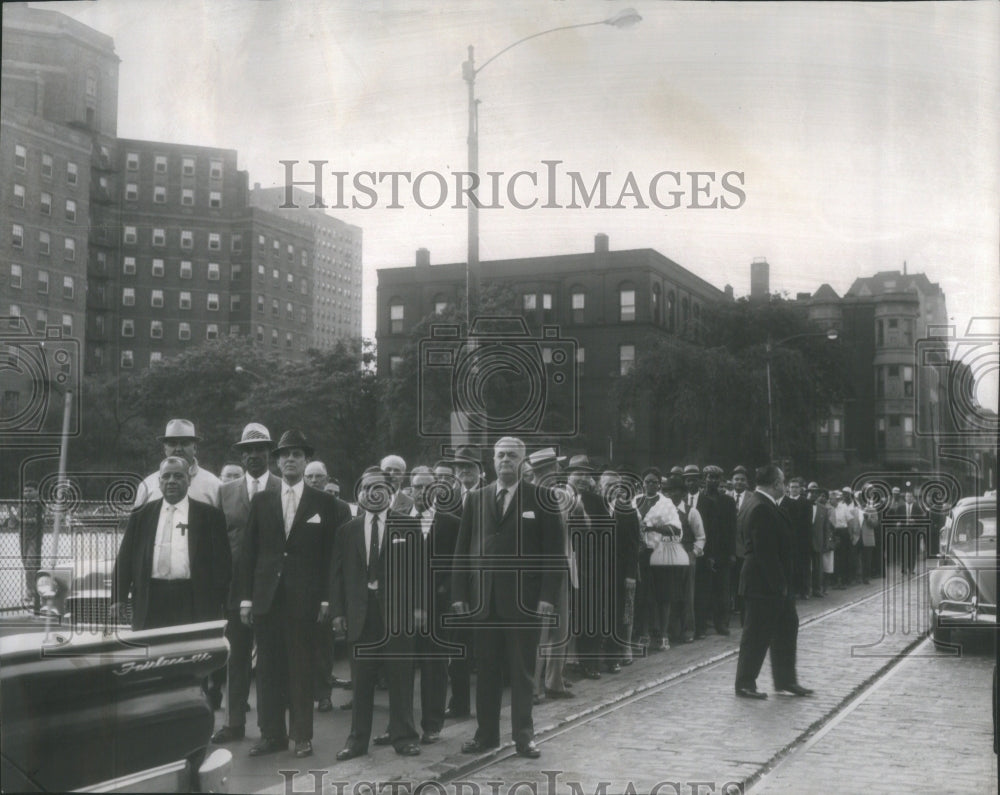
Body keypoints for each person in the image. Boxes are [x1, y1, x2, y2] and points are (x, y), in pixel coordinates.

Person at [452, 437, 566, 759]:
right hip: (484, 599)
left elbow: (554, 553)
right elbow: (462, 549)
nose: (505, 460)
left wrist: (547, 596)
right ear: (492, 460)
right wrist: (460, 592)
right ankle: (486, 735)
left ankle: (524, 737)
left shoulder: (542, 499)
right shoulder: (477, 499)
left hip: (524, 600)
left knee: (522, 672)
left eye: (512, 456)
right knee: (486, 671)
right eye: (500, 455)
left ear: (522, 461)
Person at [237, 430, 344, 759]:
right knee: (267, 669)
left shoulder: (323, 503)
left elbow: (330, 556)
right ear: (278, 461)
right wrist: (246, 599)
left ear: (306, 460)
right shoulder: (262, 500)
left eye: (296, 454)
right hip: (267, 597)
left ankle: (302, 735)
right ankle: (272, 734)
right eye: (284, 455)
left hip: (305, 599)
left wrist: (326, 599)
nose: (290, 460)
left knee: (301, 667)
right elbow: (249, 553)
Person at [330, 467, 423, 760]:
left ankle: (404, 736)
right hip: (360, 614)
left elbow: (420, 570)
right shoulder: (347, 531)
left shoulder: (407, 526)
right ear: (359, 494)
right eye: (366, 488)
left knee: (400, 678)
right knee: (361, 682)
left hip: (397, 614)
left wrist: (419, 608)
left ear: (390, 492)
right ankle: (357, 741)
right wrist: (338, 613)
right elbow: (337, 575)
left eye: (378, 487)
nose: (372, 493)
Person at [212, 423, 281, 745]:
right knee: (236, 657)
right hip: (234, 587)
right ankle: (234, 722)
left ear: (270, 453)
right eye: (248, 450)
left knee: (269, 660)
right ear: (241, 455)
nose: (254, 455)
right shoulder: (225, 492)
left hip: (271, 588)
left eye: (260, 449)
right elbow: (217, 541)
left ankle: (270, 727)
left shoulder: (282, 488)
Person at [112, 457, 230, 630]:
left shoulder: (210, 516)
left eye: (178, 476)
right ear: (159, 482)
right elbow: (125, 556)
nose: (171, 481)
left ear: (189, 480)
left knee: (190, 647)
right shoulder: (142, 515)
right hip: (150, 597)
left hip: (192, 599)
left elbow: (222, 563)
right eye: (166, 476)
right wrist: (118, 597)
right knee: (151, 647)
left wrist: (222, 601)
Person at [734, 464, 813, 700]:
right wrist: (780, 585)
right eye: (783, 481)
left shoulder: (759, 503)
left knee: (786, 628)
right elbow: (764, 552)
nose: (785, 485)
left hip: (770, 582)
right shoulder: (761, 507)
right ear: (776, 483)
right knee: (756, 634)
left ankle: (786, 680)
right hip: (764, 584)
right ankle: (745, 683)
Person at [408, 466, 460, 744]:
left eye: (427, 487)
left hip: (437, 608)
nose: (421, 492)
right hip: (403, 607)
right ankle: (400, 725)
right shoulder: (398, 521)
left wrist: (442, 596)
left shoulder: (451, 523)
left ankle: (432, 725)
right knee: (401, 669)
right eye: (417, 487)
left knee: (433, 668)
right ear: (410, 490)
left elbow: (457, 566)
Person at [302, 460, 355, 712]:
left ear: (327, 479)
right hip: (299, 581)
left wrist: (332, 592)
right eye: (310, 476)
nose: (314, 480)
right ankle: (299, 694)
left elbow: (342, 548)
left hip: (327, 580)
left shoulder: (339, 508)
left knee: (323, 641)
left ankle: (323, 694)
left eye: (319, 476)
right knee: (298, 641)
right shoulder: (296, 502)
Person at [528, 448, 576, 702]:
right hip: (540, 571)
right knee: (540, 630)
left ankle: (554, 681)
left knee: (561, 628)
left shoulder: (560, 495)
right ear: (547, 470)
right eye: (556, 467)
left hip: (562, 566)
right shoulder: (529, 496)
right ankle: (534, 687)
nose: (559, 471)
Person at [565, 454, 613, 678]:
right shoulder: (557, 496)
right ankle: (561, 666)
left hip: (590, 567)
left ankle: (590, 663)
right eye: (578, 473)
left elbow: (606, 536)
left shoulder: (597, 501)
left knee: (590, 614)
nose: (583, 478)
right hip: (564, 565)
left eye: (586, 474)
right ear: (569, 475)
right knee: (565, 616)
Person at [444, 445, 483, 718]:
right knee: (457, 647)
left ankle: (488, 707)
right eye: (460, 467)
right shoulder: (447, 499)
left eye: (470, 466)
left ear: (480, 470)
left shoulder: (492, 496)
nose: (464, 471)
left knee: (487, 650)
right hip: (455, 583)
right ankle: (459, 704)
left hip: (485, 583)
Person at [600, 468, 642, 665]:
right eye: (607, 485)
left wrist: (630, 574)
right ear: (600, 487)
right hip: (596, 571)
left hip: (619, 571)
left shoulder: (629, 512)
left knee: (619, 612)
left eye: (614, 486)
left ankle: (615, 654)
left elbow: (633, 546)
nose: (611, 489)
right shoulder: (593, 508)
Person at [134, 419, 221, 508]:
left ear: (194, 448)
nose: (178, 449)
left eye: (184, 443)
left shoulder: (213, 485)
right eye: (172, 444)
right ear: (165, 449)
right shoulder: (148, 485)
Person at [694, 466, 737, 637]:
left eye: (716, 478)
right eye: (710, 477)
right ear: (704, 478)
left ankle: (721, 624)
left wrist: (732, 552)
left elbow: (732, 528)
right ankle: (701, 625)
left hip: (723, 552)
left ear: (721, 480)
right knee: (703, 590)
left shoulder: (728, 501)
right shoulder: (699, 500)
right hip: (704, 551)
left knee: (722, 590)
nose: (713, 480)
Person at [662, 475, 705, 643]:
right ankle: (672, 630)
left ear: (683, 492)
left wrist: (694, 553)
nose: (673, 494)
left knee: (687, 595)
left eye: (677, 490)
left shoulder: (691, 512)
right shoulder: (662, 511)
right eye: (669, 491)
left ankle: (688, 630)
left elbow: (700, 537)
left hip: (686, 556)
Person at [14, 481, 45, 613]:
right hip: (23, 536)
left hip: (34, 538)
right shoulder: (22, 504)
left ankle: (31, 591)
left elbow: (39, 519)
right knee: (26, 564)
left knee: (31, 563)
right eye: (25, 491)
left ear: (36, 492)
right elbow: (17, 518)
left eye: (30, 491)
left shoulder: (40, 504)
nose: (27, 493)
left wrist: (22, 520)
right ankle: (33, 589)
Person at [805, 482, 832, 597]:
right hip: (805, 542)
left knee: (817, 567)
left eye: (815, 492)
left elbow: (826, 528)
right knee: (805, 567)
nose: (813, 494)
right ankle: (805, 590)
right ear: (807, 493)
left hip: (818, 541)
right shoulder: (802, 506)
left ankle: (817, 589)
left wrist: (826, 543)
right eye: (811, 492)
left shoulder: (823, 509)